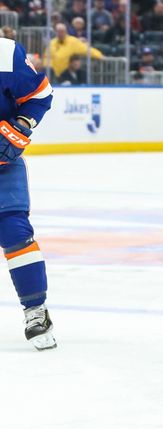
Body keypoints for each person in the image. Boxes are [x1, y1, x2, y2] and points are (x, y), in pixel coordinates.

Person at [0, 36, 57, 350]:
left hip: (0, 166)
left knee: (15, 233)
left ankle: (36, 310)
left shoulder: (5, 54)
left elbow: (39, 95)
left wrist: (20, 125)